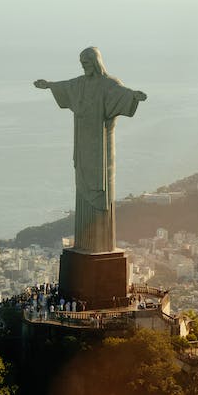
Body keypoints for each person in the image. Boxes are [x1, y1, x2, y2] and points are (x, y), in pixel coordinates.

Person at [34, 47, 146, 253]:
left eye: (86, 63)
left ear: (95, 62)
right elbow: (65, 87)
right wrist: (48, 85)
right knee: (82, 186)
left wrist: (134, 97)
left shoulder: (109, 84)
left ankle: (100, 245)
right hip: (83, 146)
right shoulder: (79, 84)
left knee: (102, 190)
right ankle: (84, 244)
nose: (84, 67)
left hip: (101, 150)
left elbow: (123, 95)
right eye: (81, 64)